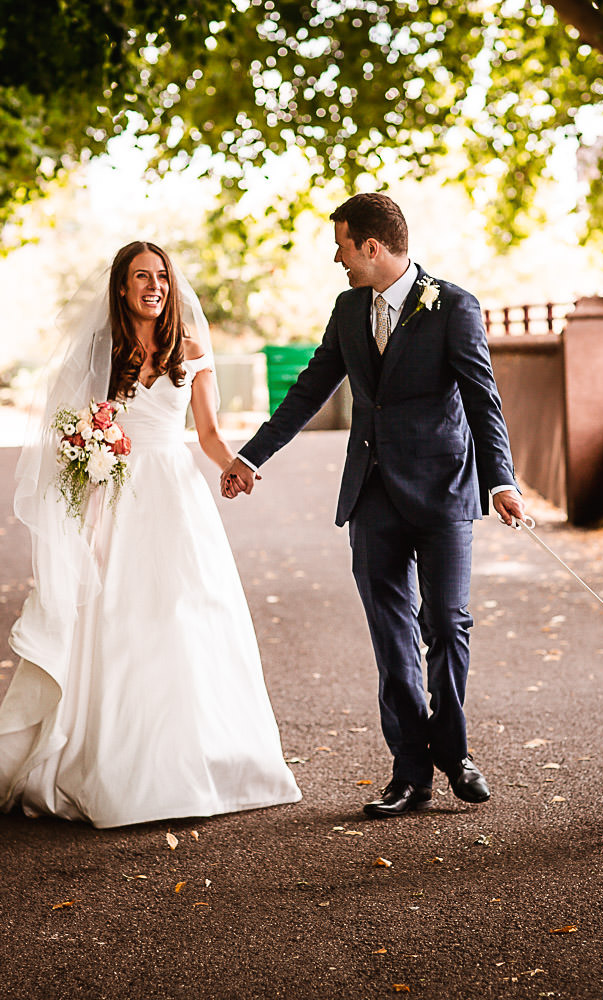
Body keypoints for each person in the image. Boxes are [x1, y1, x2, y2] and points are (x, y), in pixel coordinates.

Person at [221, 193, 526, 818]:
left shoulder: (455, 305)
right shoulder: (347, 308)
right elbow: (311, 386)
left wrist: (502, 482)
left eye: (342, 247)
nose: (338, 260)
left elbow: (481, 399)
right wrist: (252, 457)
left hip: (444, 493)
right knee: (392, 638)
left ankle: (454, 749)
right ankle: (411, 773)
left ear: (372, 246)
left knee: (447, 625)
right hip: (371, 495)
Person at [0, 241, 301, 827]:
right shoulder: (100, 353)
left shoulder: (193, 349)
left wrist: (234, 463)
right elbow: (69, 431)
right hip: (116, 497)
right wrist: (89, 451)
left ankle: (202, 760)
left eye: (161, 277)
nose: (154, 286)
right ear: (123, 287)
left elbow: (205, 433)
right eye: (141, 277)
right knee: (117, 618)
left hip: (177, 494)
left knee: (188, 612)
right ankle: (114, 767)